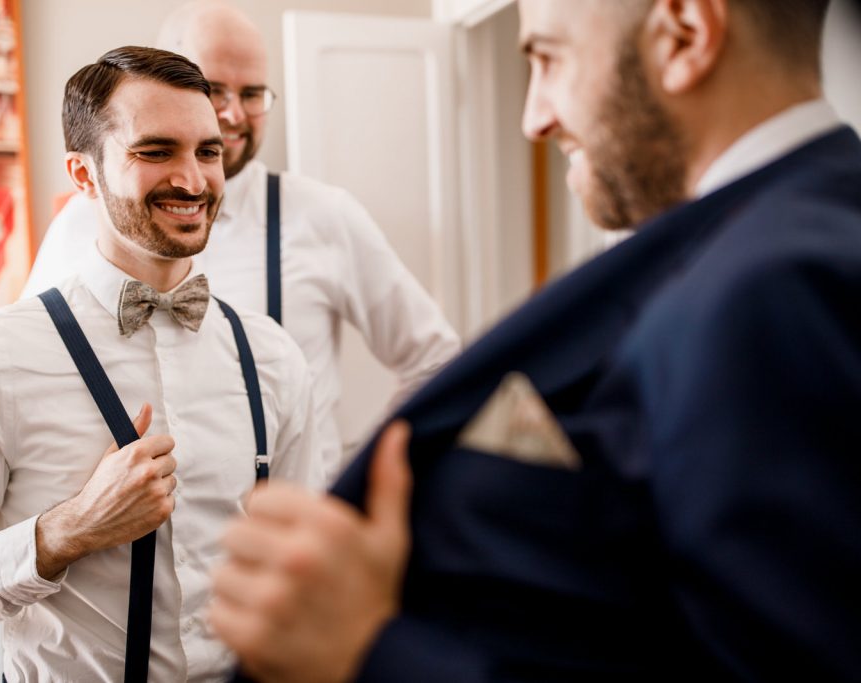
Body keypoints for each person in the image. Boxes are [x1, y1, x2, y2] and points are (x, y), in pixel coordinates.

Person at [209, 0, 861, 680]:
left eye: (548, 58)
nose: (534, 118)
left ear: (685, 35)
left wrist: (368, 647)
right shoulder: (753, 245)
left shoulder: (780, 288)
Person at [0, 47, 322, 682]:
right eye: (155, 151)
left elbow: (304, 566)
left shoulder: (272, 357)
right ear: (84, 175)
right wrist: (64, 533)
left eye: (208, 152)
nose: (193, 181)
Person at [23, 1, 461, 481]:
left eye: (252, 94)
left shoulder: (324, 216)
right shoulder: (82, 222)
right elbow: (33, 367)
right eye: (214, 90)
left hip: (289, 535)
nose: (232, 113)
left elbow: (436, 362)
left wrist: (356, 478)